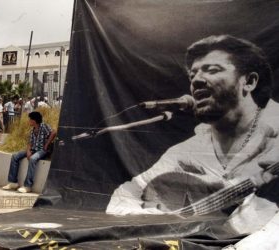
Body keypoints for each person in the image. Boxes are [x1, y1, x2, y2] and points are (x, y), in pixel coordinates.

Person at [106, 35, 279, 249]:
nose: (196, 80)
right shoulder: (189, 150)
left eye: (213, 70)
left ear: (249, 81)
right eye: (193, 74)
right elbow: (123, 197)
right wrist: (164, 220)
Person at [2, 111, 57, 193]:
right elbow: (30, 143)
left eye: (30, 119)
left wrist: (46, 144)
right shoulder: (32, 130)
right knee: (15, 156)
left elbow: (54, 132)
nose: (29, 121)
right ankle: (13, 182)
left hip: (42, 150)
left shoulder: (44, 126)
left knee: (33, 159)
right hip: (33, 149)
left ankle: (28, 186)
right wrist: (28, 151)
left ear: (34, 120)